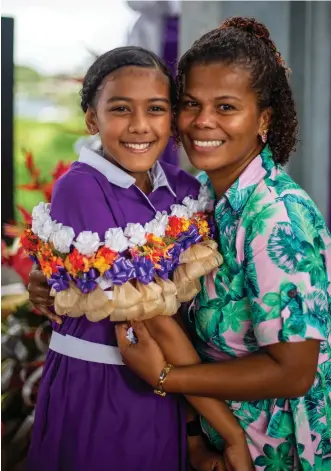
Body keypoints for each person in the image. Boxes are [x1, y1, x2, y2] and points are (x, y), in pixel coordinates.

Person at [115, 18, 331, 471]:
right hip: (222, 444)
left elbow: (294, 372)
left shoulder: (275, 219)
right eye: (191, 103)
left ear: (264, 119)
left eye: (226, 106)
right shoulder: (201, 196)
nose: (203, 121)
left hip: (280, 453)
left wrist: (163, 378)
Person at [25, 46, 252, 471]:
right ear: (92, 118)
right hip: (96, 388)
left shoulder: (185, 190)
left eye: (156, 109)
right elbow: (147, 317)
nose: (140, 126)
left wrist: (191, 430)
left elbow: (184, 313)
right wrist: (229, 431)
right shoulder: (81, 187)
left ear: (172, 117)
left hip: (165, 394)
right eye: (121, 109)